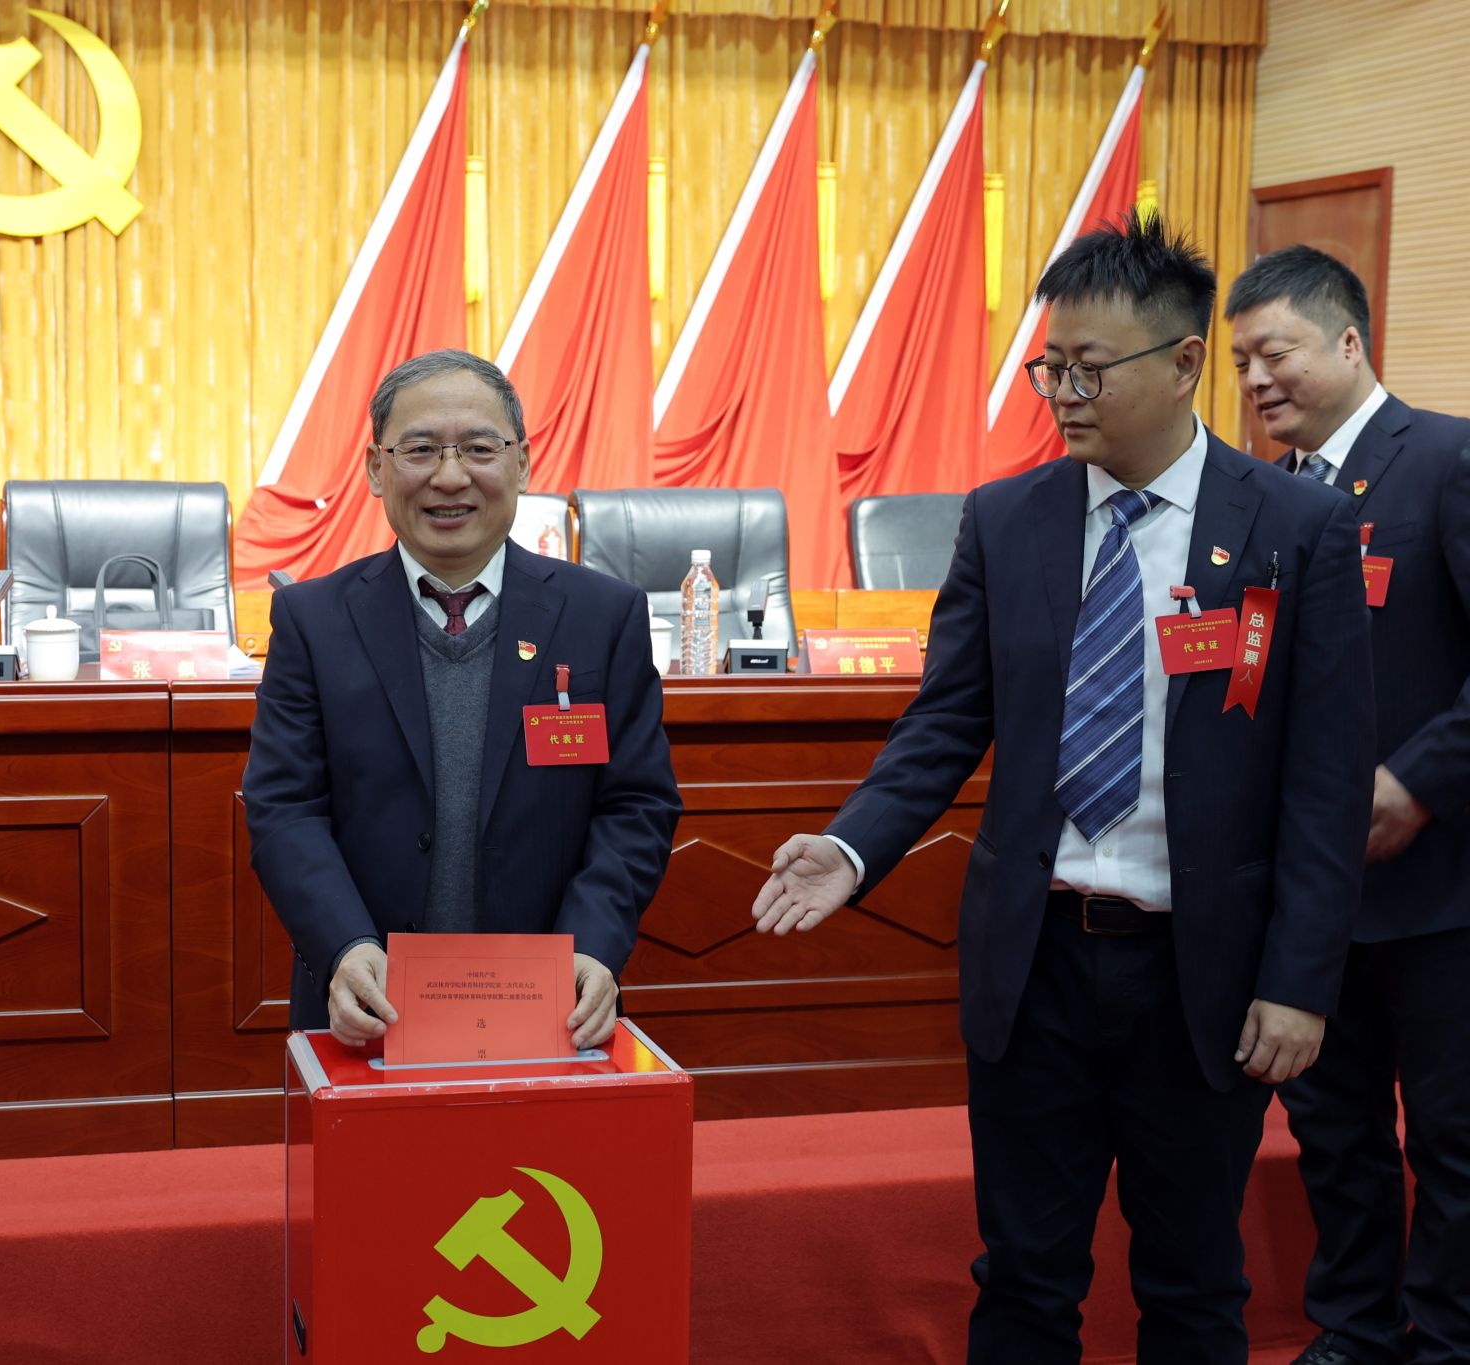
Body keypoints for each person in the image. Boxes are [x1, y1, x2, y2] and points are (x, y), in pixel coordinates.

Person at [749, 214, 1374, 1365]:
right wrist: (849, 846)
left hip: (1200, 972)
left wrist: (1298, 984)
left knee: (1192, 1281)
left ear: (1183, 362)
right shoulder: (1005, 519)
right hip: (1032, 963)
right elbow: (947, 718)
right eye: (1049, 368)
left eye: (1090, 369)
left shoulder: (1295, 526)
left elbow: (1325, 780)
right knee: (1023, 1276)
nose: (1063, 395)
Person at [242, 349, 681, 1050]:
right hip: (369, 1007)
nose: (450, 477)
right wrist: (344, 945)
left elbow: (636, 804)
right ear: (376, 468)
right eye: (420, 450)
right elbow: (284, 807)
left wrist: (593, 944)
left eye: (479, 448)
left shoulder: (603, 615)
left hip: (551, 1005)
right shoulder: (313, 620)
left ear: (522, 463)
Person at [1227, 246, 1470, 1365]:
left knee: (1453, 1140)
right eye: (1238, 362)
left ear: (1348, 341)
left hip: (1441, 887)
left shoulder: (1445, 461)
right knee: (1333, 1132)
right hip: (1312, 895)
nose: (1253, 380)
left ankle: (1446, 1341)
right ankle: (1353, 1331)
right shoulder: (1266, 497)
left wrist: (1417, 780)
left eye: (1272, 352)